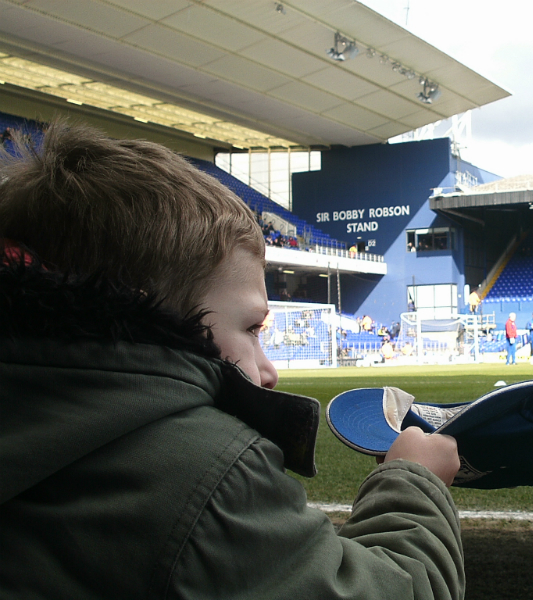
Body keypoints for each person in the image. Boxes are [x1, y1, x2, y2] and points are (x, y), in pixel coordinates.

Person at [0, 123, 464, 599]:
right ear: (150, 319)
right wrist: (415, 483)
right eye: (250, 329)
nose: (269, 372)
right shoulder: (205, 479)